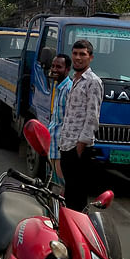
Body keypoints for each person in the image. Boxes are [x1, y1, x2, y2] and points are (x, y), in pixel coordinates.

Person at [59, 40, 103, 211]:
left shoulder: (93, 82)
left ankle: (78, 236)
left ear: (90, 57)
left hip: (78, 149)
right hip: (66, 145)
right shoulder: (75, 80)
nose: (78, 58)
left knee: (77, 198)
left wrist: (79, 147)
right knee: (69, 194)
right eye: (75, 54)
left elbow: (92, 117)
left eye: (82, 54)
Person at [47, 53, 73, 189]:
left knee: (61, 187)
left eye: (59, 67)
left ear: (68, 69)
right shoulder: (58, 88)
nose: (55, 69)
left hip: (60, 148)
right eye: (53, 66)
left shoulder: (69, 89)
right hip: (53, 145)